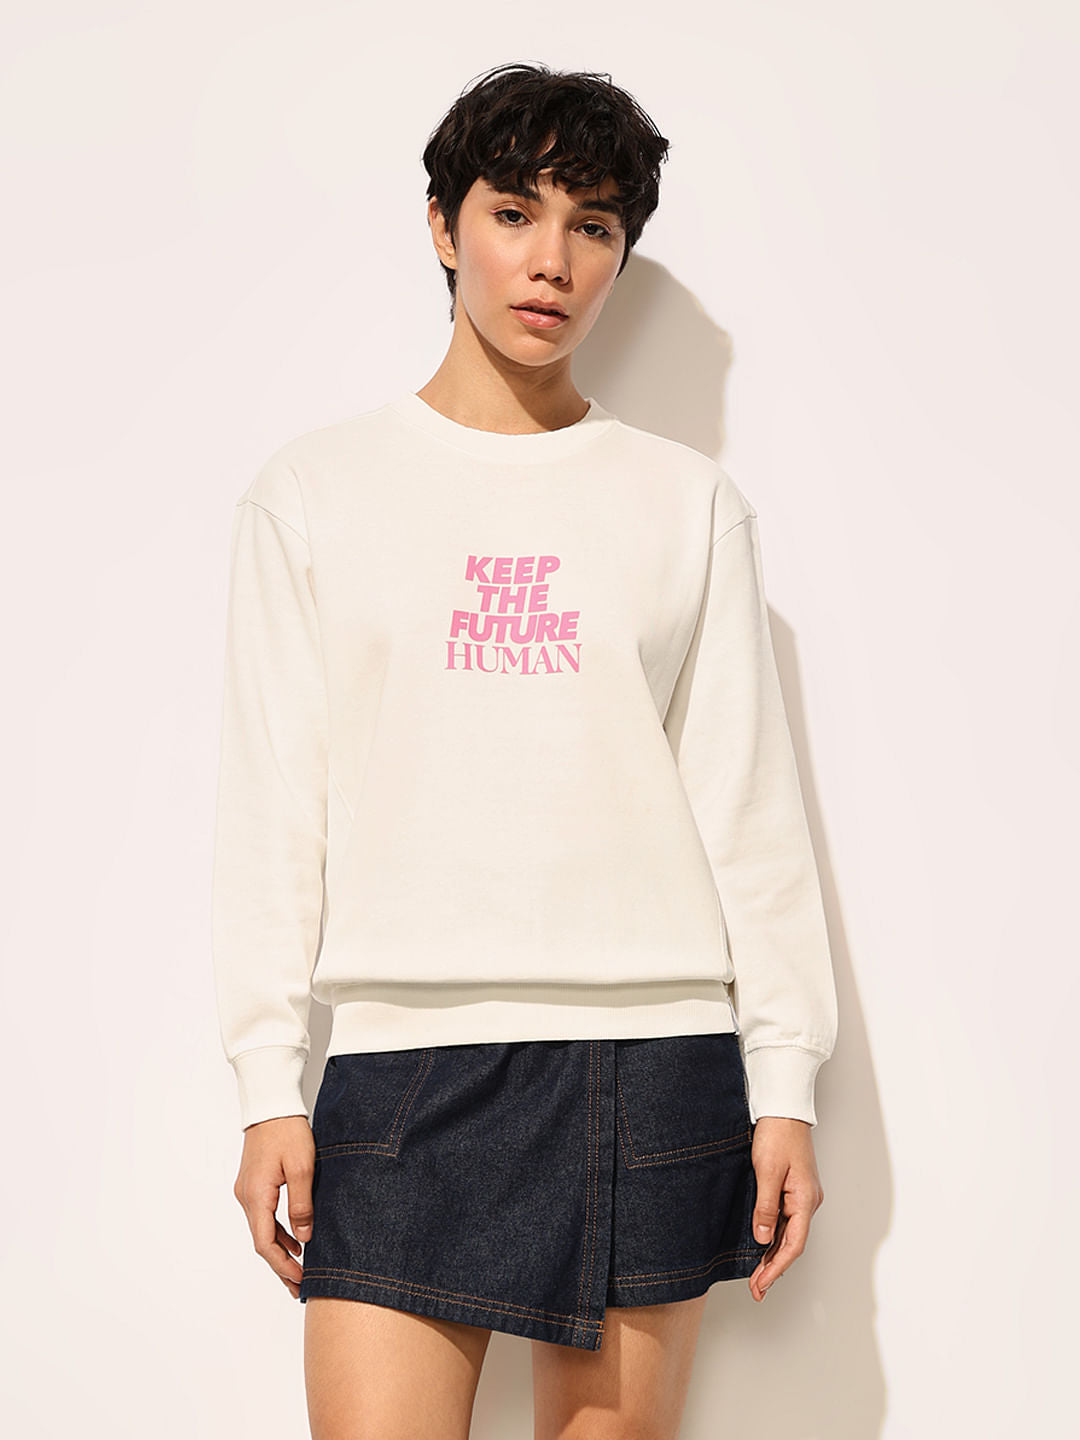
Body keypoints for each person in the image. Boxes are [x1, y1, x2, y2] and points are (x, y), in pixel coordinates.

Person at [210, 61, 839, 1440]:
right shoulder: (314, 493)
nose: (552, 260)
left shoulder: (686, 503)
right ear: (445, 226)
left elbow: (748, 810)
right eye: (514, 211)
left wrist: (786, 1081)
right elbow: (274, 807)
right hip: (405, 1066)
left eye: (593, 225)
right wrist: (267, 1083)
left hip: (649, 1057)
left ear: (619, 254)